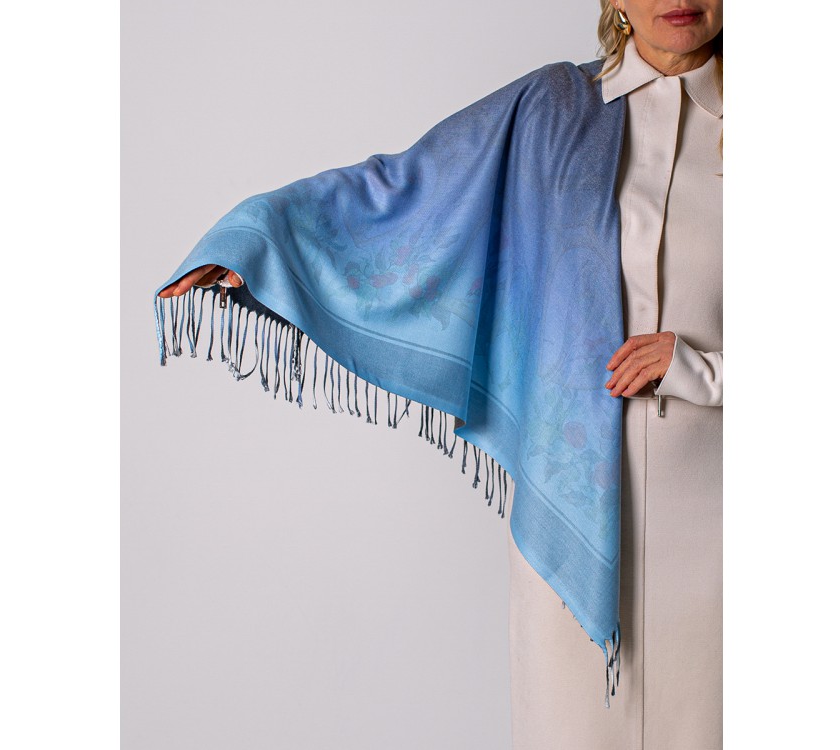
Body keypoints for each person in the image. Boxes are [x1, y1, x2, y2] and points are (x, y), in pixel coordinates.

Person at [158, 1, 722, 746]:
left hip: (721, 537)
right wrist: (259, 241)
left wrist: (699, 369)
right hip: (570, 512)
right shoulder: (551, 113)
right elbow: (405, 190)